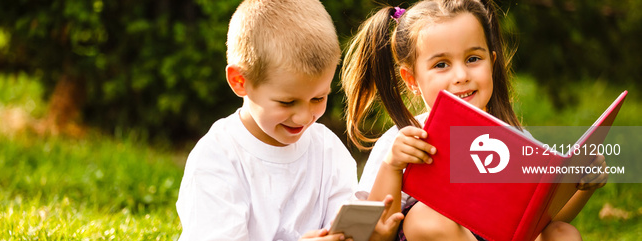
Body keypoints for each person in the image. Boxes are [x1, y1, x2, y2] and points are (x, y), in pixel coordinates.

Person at [341, 0, 608, 240]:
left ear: (491, 62)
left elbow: (538, 222)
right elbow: (373, 233)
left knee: (563, 233)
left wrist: (583, 186)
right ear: (411, 79)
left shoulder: (513, 140)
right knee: (428, 218)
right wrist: (392, 166)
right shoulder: (404, 141)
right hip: (430, 234)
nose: (461, 75)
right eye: (441, 64)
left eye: (473, 59)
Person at [176, 0, 402, 240]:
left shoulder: (327, 150)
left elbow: (341, 229)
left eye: (318, 98)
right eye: (286, 102)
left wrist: (366, 236)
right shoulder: (218, 157)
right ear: (240, 81)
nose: (305, 117)